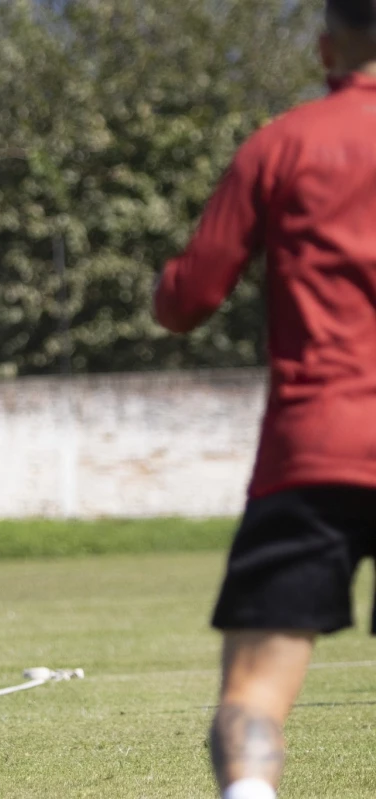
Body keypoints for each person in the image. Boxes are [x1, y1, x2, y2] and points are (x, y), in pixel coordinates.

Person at [154, 4, 376, 796]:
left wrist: (165, 284)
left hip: (313, 450)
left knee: (253, 694)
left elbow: (188, 299)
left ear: (325, 46)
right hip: (317, 450)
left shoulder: (282, 144)